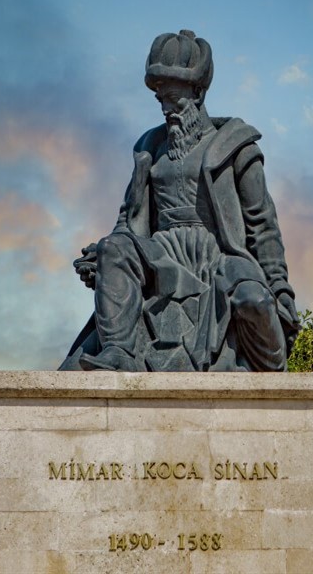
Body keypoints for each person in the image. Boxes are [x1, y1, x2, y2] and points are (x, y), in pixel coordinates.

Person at [61, 30, 298, 372]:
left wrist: (280, 288)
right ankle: (119, 353)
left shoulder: (236, 146)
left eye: (175, 99)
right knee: (114, 246)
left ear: (198, 92)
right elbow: (129, 219)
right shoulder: (149, 147)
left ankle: (270, 371)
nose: (166, 109)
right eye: (161, 100)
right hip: (162, 253)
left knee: (254, 301)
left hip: (220, 256)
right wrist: (102, 254)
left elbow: (263, 226)